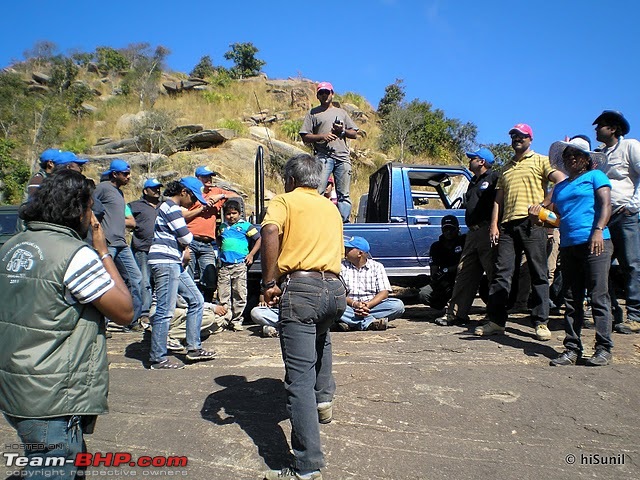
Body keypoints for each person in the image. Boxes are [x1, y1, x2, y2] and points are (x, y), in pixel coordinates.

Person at [0, 170, 133, 479]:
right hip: (51, 397)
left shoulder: (12, 247)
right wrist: (102, 251)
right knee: (52, 469)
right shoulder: (74, 256)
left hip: (17, 388)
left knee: (49, 462)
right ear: (77, 209)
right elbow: (125, 310)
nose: (93, 215)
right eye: (90, 207)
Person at [260, 153, 346, 480]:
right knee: (321, 340)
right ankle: (324, 402)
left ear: (292, 180)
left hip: (301, 288)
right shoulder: (331, 207)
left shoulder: (285, 200)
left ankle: (307, 466)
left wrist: (269, 282)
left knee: (298, 379)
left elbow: (270, 232)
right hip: (335, 289)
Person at [476, 123, 566, 341]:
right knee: (501, 274)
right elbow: (499, 199)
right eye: (514, 136)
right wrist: (494, 224)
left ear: (530, 139)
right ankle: (496, 322)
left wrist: (543, 206)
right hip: (507, 225)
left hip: (532, 224)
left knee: (539, 272)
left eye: (522, 136)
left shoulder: (541, 160)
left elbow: (560, 181)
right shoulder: (506, 168)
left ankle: (541, 322)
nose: (517, 139)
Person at [537, 137, 613, 366]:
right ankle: (572, 348)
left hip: (595, 242)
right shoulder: (560, 187)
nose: (572, 158)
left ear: (587, 159)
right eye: (568, 154)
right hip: (569, 246)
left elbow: (606, 205)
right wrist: (540, 219)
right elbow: (557, 219)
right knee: (572, 299)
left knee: (598, 296)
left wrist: (598, 230)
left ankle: (603, 348)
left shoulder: (596, 177)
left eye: (577, 155)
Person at [148, 177, 217, 369]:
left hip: (173, 261)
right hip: (166, 261)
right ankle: (158, 358)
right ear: (184, 192)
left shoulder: (169, 207)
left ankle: (194, 348)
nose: (194, 202)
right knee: (165, 310)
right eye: (193, 197)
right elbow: (186, 236)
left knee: (196, 300)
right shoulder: (171, 208)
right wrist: (185, 242)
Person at [436, 147, 499, 326]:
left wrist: (495, 226)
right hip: (472, 233)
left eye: (473, 158)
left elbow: (498, 203)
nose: (469, 160)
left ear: (482, 162)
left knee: (494, 274)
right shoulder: (473, 181)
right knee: (464, 272)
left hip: (488, 230)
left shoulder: (494, 178)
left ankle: (494, 315)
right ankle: (456, 313)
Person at [593, 110, 640, 335]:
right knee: (600, 266)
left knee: (631, 264)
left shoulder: (630, 146)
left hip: (625, 215)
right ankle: (611, 313)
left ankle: (635, 315)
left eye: (600, 125)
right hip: (605, 216)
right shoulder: (600, 155)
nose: (596, 129)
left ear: (612, 128)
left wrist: (633, 206)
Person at [94, 159, 145, 331]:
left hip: (121, 243)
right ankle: (103, 324)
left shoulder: (119, 193)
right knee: (104, 281)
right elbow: (91, 210)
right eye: (125, 173)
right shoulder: (102, 188)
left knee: (136, 279)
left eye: (129, 173)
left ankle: (133, 320)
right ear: (114, 174)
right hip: (107, 243)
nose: (129, 177)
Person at [300, 81, 359, 222]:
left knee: (343, 194)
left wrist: (342, 131)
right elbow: (304, 136)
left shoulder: (341, 113)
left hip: (342, 157)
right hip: (322, 157)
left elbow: (354, 134)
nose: (324, 95)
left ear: (332, 94)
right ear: (317, 96)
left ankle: (343, 223)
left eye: (327, 92)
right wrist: (322, 136)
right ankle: (317, 221)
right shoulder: (312, 113)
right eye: (321, 93)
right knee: (317, 191)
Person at [184, 165, 235, 301]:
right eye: (205, 176)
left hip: (207, 243)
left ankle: (205, 305)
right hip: (190, 240)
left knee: (210, 278)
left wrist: (220, 196)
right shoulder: (190, 193)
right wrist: (203, 206)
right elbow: (182, 215)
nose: (209, 179)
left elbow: (236, 196)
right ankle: (189, 305)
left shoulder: (215, 191)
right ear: (198, 178)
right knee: (187, 277)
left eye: (210, 176)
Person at [337, 235, 405, 331]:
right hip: (348, 306)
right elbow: (339, 293)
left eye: (349, 249)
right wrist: (354, 304)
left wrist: (367, 305)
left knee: (398, 306)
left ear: (359, 253)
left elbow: (384, 292)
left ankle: (351, 322)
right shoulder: (341, 267)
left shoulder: (377, 267)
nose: (345, 251)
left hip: (372, 306)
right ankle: (369, 322)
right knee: (334, 306)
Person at [216, 199, 261, 331]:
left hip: (239, 265)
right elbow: (219, 239)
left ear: (240, 213)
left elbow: (258, 239)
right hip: (224, 265)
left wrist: (251, 254)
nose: (231, 216)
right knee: (223, 293)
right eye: (228, 214)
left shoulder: (246, 226)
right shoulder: (223, 227)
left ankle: (237, 320)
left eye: (234, 213)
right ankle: (225, 319)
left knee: (239, 293)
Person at [128, 178, 164, 326]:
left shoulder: (164, 206)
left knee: (161, 281)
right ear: (145, 191)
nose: (157, 190)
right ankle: (144, 312)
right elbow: (122, 216)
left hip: (162, 249)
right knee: (144, 281)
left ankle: (160, 311)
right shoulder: (135, 205)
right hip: (143, 248)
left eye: (158, 188)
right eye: (153, 188)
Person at [419, 215, 466, 311]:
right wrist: (443, 283)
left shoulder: (465, 241)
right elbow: (434, 272)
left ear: (458, 228)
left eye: (451, 229)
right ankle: (443, 306)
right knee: (423, 294)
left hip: (463, 278)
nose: (448, 232)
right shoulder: (436, 246)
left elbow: (468, 263)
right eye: (446, 229)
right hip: (444, 280)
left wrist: (449, 269)